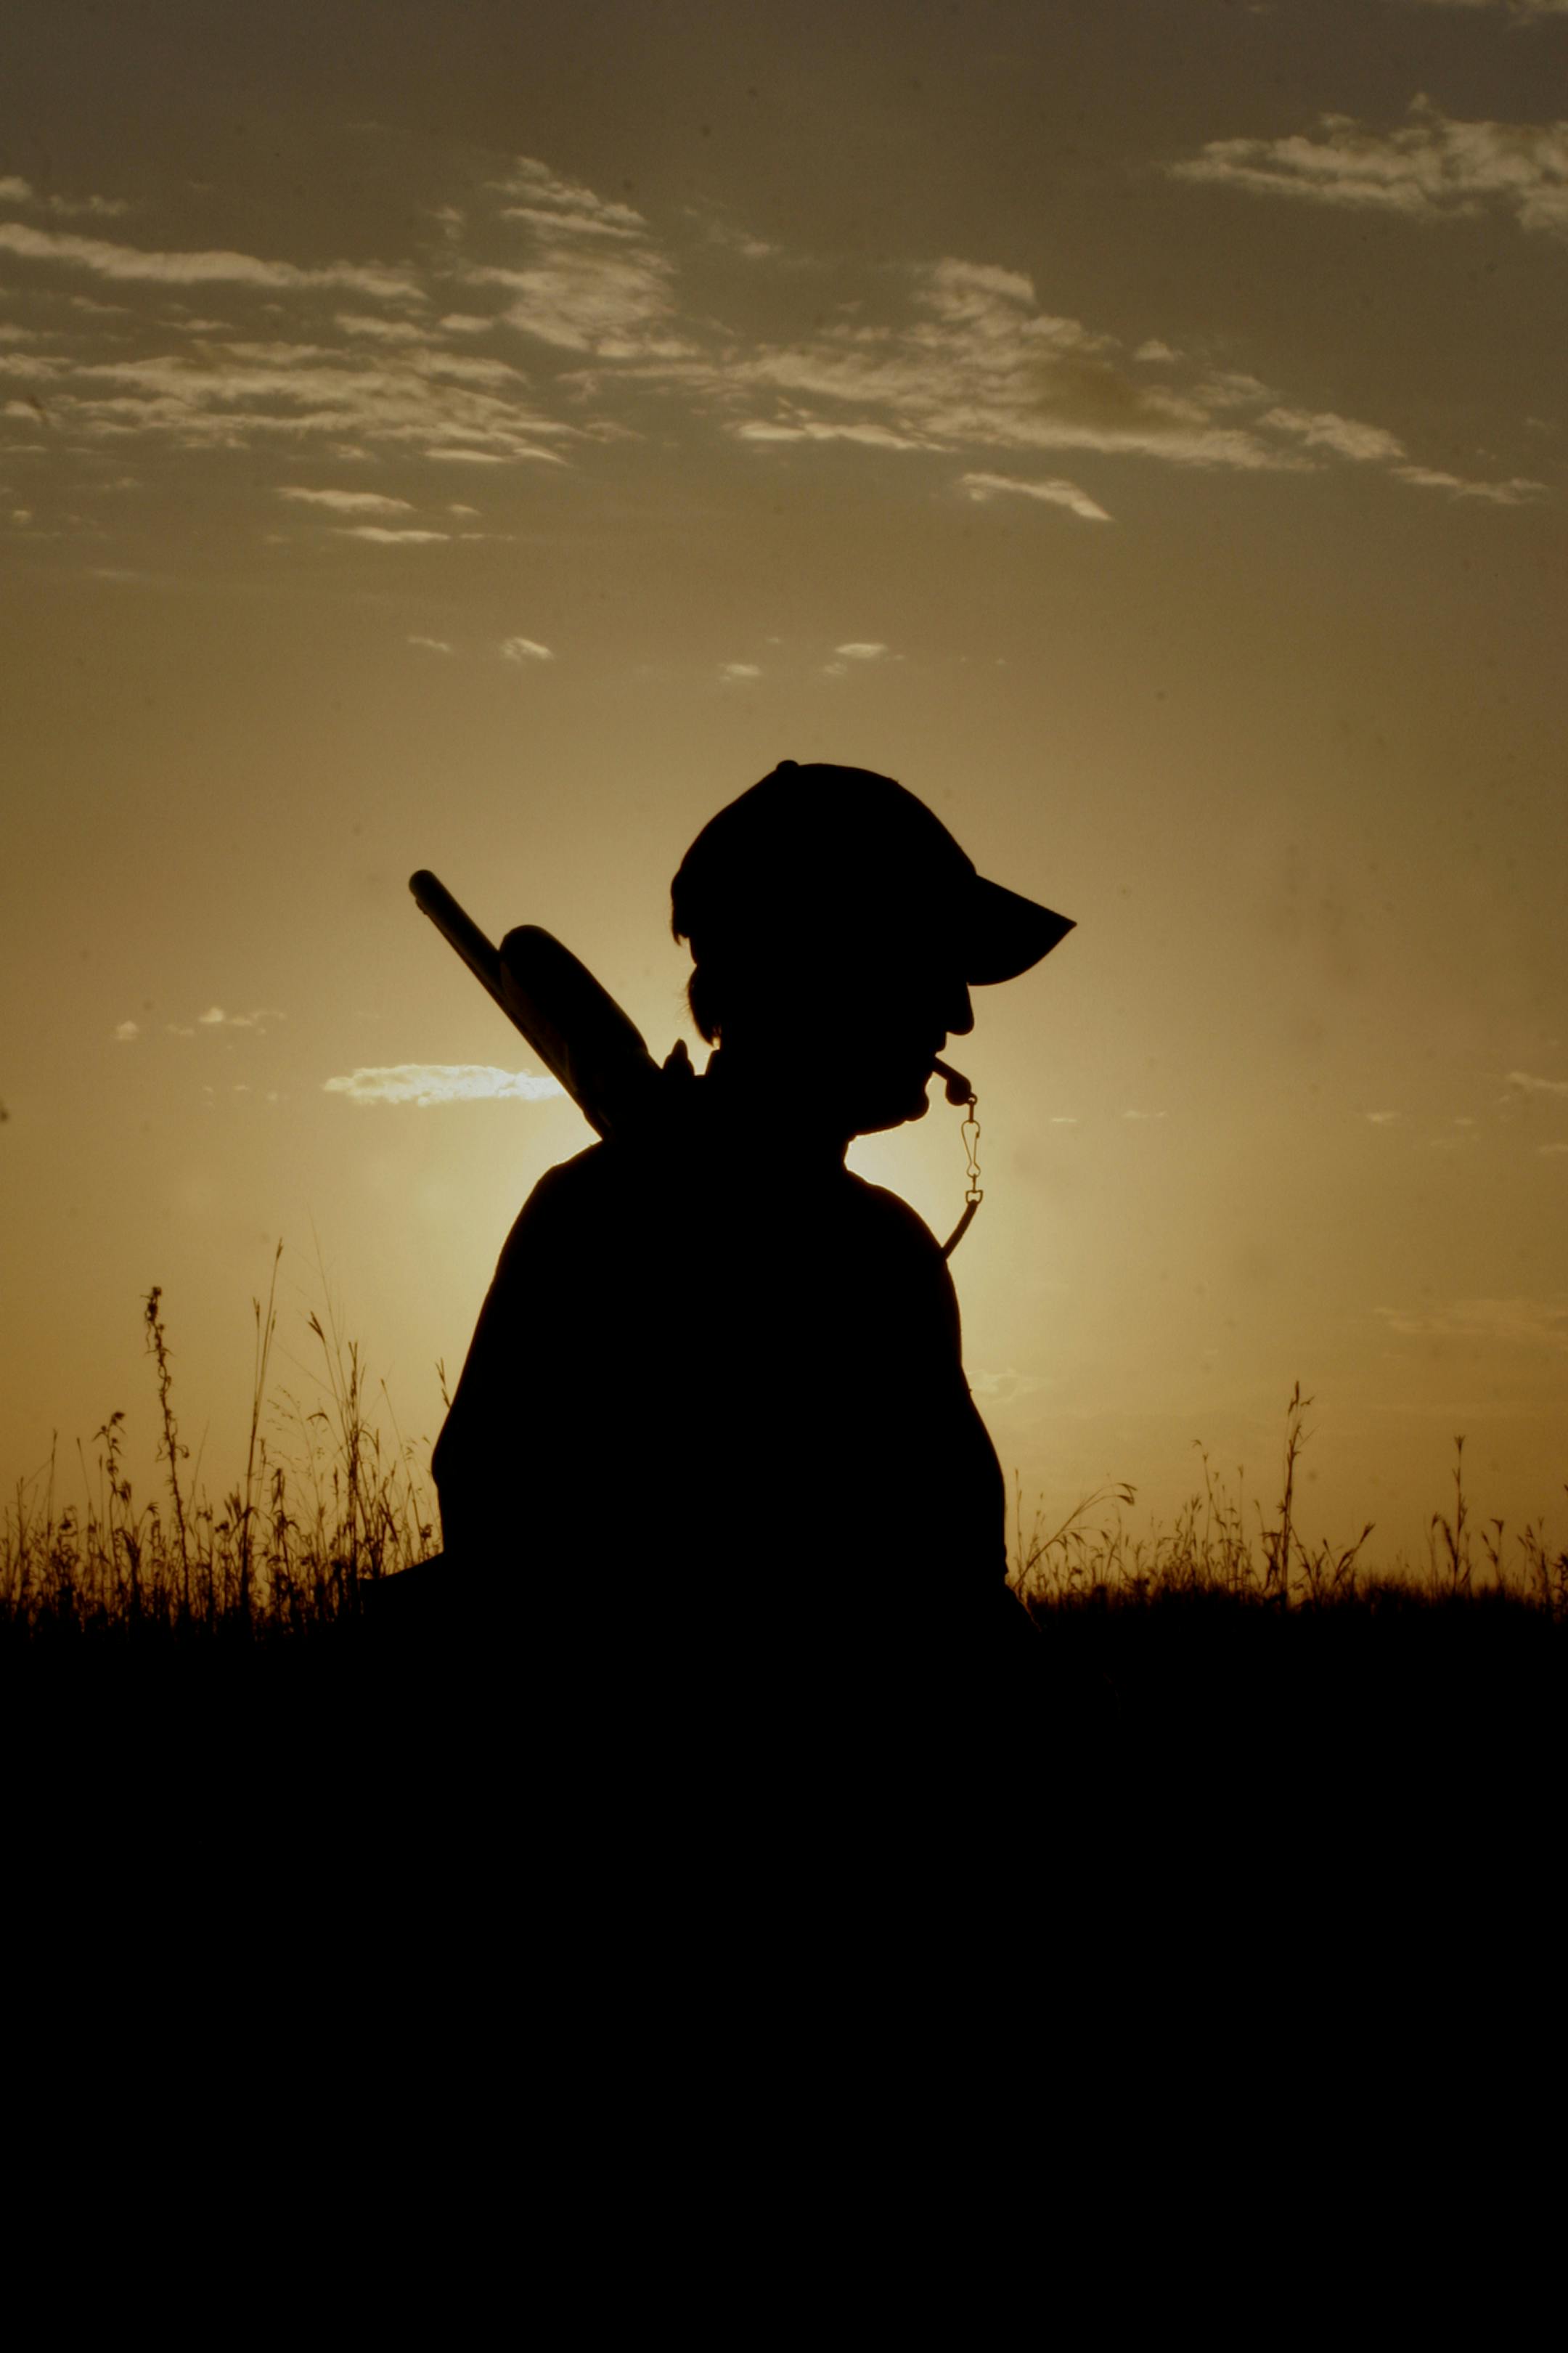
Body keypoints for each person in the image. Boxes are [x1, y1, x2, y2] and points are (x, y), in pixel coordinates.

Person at [430, 760, 1072, 1778]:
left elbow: (957, 1599)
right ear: (819, 966)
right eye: (927, 961)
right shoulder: (602, 1223)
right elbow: (504, 1551)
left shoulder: (881, 1250)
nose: (958, 1015)